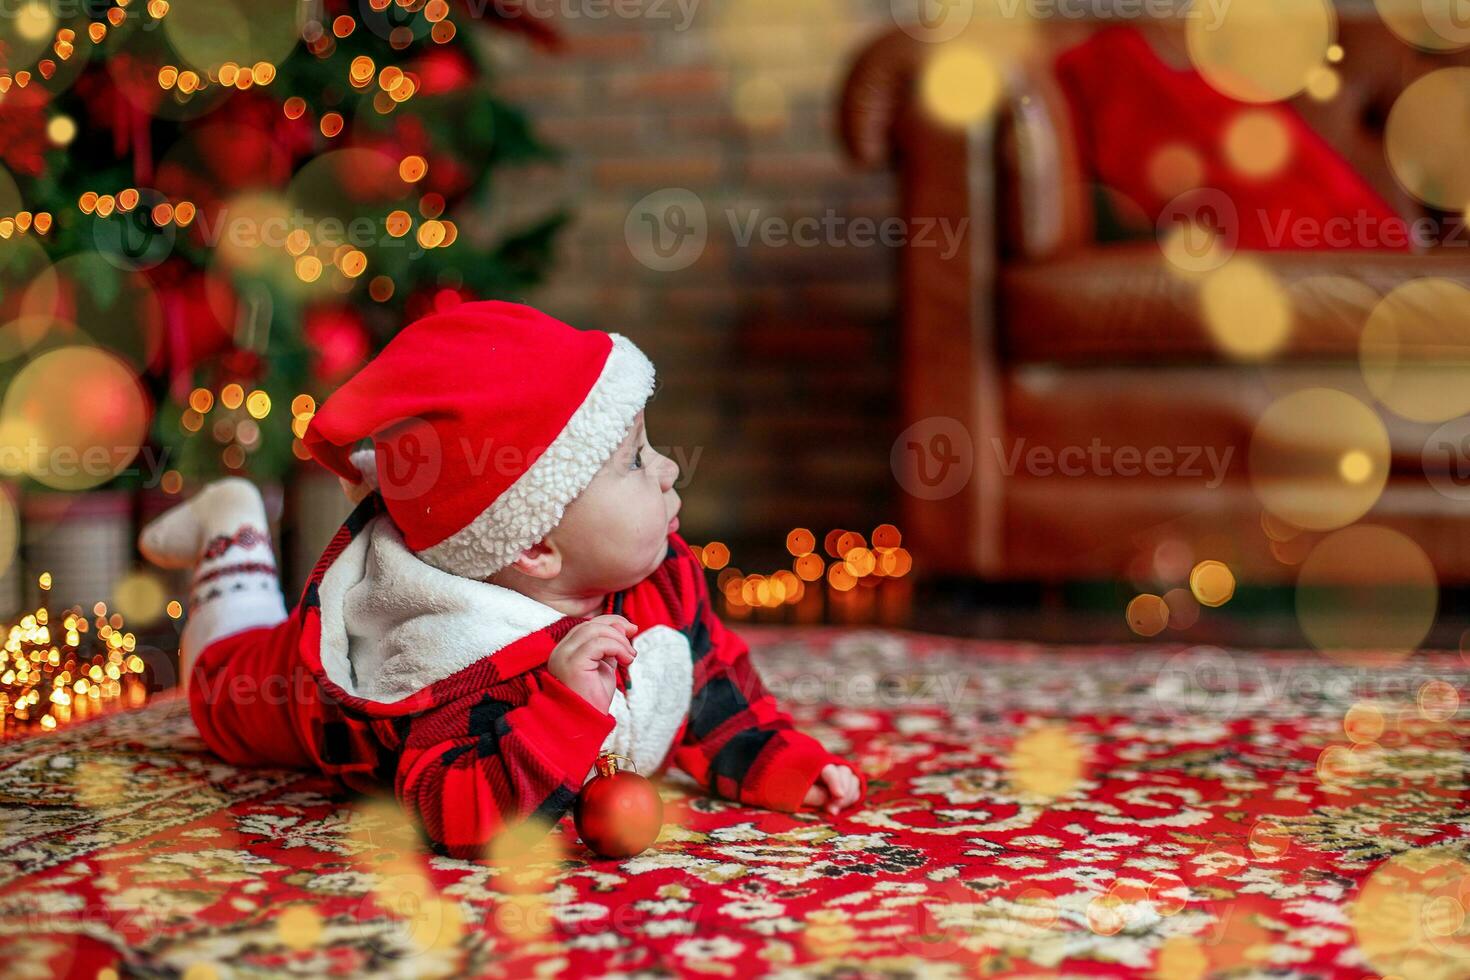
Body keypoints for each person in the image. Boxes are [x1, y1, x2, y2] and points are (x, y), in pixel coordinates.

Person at [139, 301, 866, 859]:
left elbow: (714, 684)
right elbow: (446, 813)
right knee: (221, 676)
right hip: (279, 693)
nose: (670, 469)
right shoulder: (442, 651)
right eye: (637, 461)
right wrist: (561, 711)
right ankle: (231, 527)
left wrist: (788, 764)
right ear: (538, 545)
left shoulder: (657, 578)